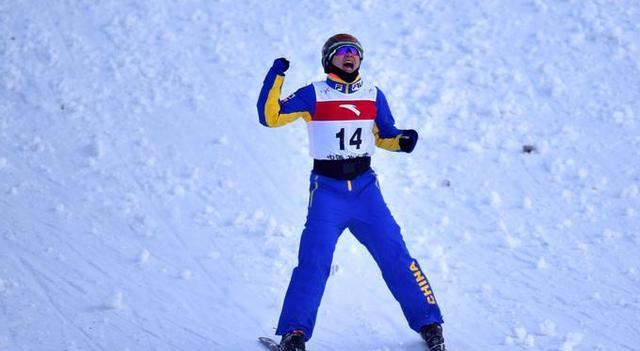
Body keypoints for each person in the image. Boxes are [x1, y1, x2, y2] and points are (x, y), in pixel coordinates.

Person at [257, 33, 446, 351]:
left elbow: (385, 134)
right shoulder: (314, 94)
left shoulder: (373, 94)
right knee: (313, 263)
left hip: (365, 191)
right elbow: (270, 117)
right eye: (343, 51)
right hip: (327, 193)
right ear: (329, 58)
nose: (350, 56)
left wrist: (402, 141)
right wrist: (276, 75)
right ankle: (294, 334)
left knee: (395, 255)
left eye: (356, 52)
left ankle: (430, 323)